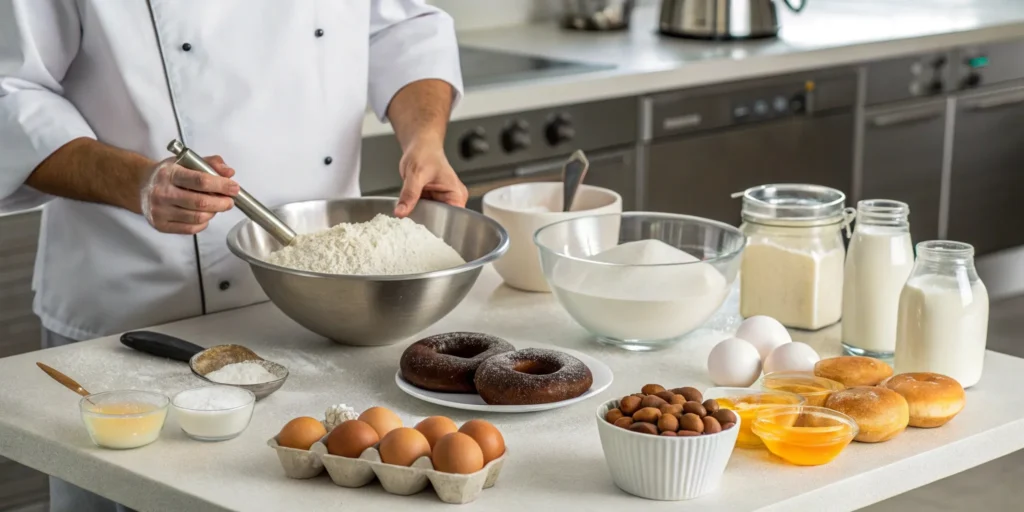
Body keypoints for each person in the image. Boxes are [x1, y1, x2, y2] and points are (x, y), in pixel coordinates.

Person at [0, 1, 467, 510]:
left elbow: (403, 29)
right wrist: (137, 182)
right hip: (137, 308)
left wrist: (425, 136)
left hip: (320, 313)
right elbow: (11, 94)